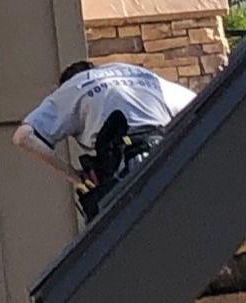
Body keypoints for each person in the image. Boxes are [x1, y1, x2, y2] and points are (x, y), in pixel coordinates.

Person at [13, 58, 196, 220]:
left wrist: (78, 180)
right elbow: (197, 104)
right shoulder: (136, 73)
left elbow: (23, 136)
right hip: (173, 159)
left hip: (129, 171)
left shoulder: (71, 88)